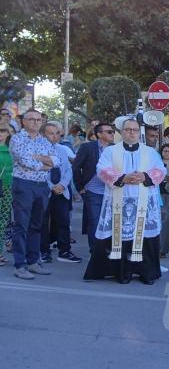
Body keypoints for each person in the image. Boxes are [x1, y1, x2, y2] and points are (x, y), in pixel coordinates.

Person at [83, 119, 166, 284]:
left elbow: (160, 169)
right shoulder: (110, 151)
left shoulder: (149, 152)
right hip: (118, 201)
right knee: (121, 237)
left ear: (139, 132)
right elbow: (102, 169)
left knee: (144, 238)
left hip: (143, 202)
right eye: (128, 130)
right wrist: (122, 178)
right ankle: (123, 273)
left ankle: (146, 273)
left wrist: (145, 176)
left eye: (135, 130)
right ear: (121, 132)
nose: (132, 133)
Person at [9, 109, 57, 279]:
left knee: (37, 225)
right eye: (32, 119)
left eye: (39, 120)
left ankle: (33, 261)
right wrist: (42, 161)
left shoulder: (45, 141)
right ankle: (20, 265)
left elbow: (55, 161)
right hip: (24, 185)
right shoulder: (17, 139)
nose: (36, 122)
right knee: (21, 225)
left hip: (42, 186)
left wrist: (38, 158)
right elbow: (24, 161)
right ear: (23, 121)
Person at [40, 122, 80, 264]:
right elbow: (39, 170)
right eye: (51, 133)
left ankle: (64, 251)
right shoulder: (38, 149)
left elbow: (68, 170)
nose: (55, 136)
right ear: (43, 134)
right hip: (45, 192)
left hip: (62, 191)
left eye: (57, 133)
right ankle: (43, 252)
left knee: (63, 221)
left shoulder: (62, 149)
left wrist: (62, 185)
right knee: (43, 223)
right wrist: (52, 186)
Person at [73, 123, 114, 253]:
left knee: (110, 222)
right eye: (109, 132)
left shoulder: (115, 149)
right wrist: (80, 187)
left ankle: (108, 249)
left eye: (112, 131)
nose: (112, 134)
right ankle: (95, 252)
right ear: (99, 134)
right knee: (94, 221)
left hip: (112, 190)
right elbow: (76, 167)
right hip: (93, 190)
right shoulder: (87, 147)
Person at [0, 124, 12, 265]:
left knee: (3, 221)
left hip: (8, 188)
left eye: (3, 131)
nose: (1, 134)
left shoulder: (11, 151)